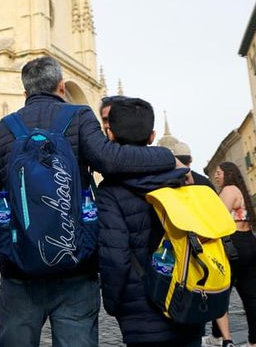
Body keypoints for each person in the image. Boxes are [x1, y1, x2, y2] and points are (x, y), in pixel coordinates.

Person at [0, 56, 187, 347]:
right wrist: (166, 157)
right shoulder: (78, 117)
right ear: (61, 87)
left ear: (25, 93)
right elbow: (111, 161)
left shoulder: (2, 129)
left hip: (20, 269)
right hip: (75, 265)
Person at [98, 97, 203, 347]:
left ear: (109, 134)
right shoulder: (183, 179)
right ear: (152, 135)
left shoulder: (109, 191)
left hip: (141, 308)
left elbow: (115, 257)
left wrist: (113, 304)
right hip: (187, 298)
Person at [203, 162, 256, 347]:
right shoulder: (240, 190)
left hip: (235, 245)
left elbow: (217, 219)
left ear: (228, 174)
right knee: (251, 298)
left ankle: (219, 337)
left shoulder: (228, 190)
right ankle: (254, 343)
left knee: (220, 294)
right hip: (251, 243)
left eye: (219, 173)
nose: (216, 176)